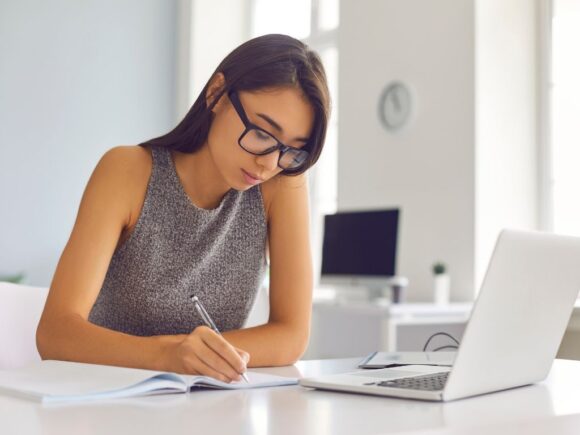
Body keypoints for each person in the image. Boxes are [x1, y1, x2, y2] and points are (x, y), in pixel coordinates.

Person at [36, 34, 330, 383]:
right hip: (104, 398)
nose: (269, 163)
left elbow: (292, 335)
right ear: (217, 93)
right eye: (262, 133)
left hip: (205, 406)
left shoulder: (282, 184)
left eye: (292, 150)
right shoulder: (127, 171)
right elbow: (54, 334)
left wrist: (197, 358)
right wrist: (170, 355)